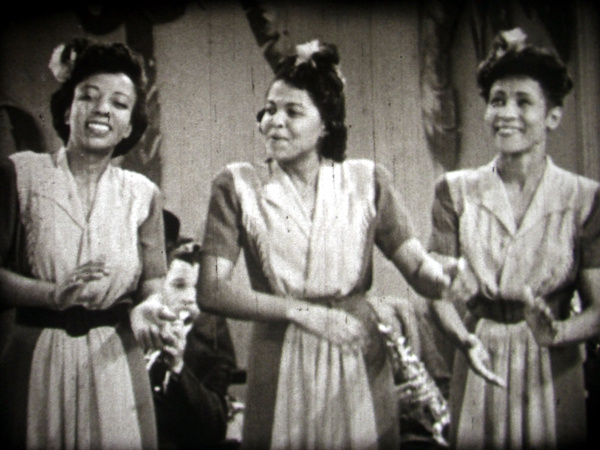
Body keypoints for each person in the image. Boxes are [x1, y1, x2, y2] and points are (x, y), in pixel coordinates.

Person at [198, 39, 455, 449]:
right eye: (269, 109)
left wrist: (447, 277)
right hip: (278, 357)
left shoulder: (367, 182)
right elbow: (211, 290)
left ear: (326, 125)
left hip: (358, 353)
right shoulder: (237, 185)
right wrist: (304, 313)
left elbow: (420, 270)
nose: (274, 121)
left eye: (293, 111)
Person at [428, 28, 600, 448]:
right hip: (479, 355)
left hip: (553, 366)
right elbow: (436, 293)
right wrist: (464, 339)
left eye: (523, 102)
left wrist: (557, 333)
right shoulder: (455, 191)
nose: (506, 112)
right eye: (497, 100)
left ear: (553, 116)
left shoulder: (583, 198)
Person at [0, 38, 175, 448]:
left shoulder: (142, 194)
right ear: (67, 109)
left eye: (119, 103)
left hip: (114, 361)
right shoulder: (21, 174)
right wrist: (51, 294)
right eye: (88, 96)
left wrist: (149, 308)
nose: (102, 109)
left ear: (129, 125)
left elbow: (152, 282)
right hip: (35, 356)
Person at [148, 213, 239, 449]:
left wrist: (178, 368)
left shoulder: (210, 340)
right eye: (179, 285)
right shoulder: (137, 332)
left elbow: (214, 426)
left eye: (198, 288)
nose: (190, 298)